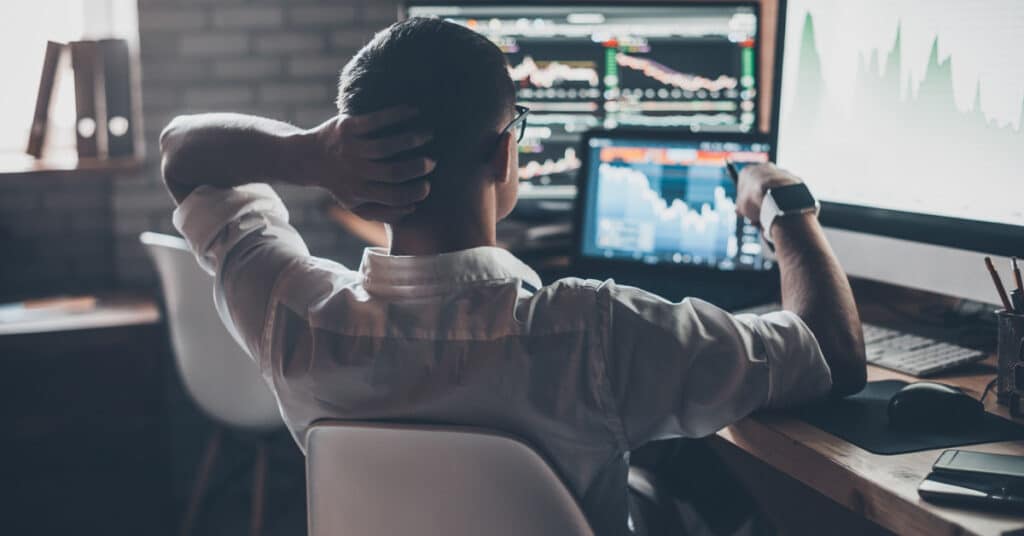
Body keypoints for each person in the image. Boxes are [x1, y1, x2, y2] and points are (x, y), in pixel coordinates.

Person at [160, 17, 866, 536]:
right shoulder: (594, 330)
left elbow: (182, 154)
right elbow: (833, 352)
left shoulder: (294, 318)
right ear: (504, 157)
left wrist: (306, 156)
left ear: (350, 176)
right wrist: (784, 206)